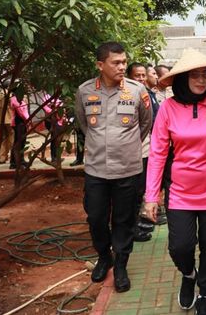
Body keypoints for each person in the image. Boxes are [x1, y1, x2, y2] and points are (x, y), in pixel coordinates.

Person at [144, 48, 206, 315]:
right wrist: (152, 196)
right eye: (196, 75)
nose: (202, 80)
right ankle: (188, 274)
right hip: (180, 193)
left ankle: (205, 294)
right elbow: (157, 154)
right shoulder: (168, 108)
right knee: (180, 246)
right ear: (183, 78)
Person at [74, 42, 152, 293]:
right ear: (100, 65)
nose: (122, 66)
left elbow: (145, 125)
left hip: (128, 169)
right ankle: (104, 256)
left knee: (124, 219)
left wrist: (124, 147)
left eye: (123, 61)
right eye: (115, 62)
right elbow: (84, 125)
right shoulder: (85, 91)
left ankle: (121, 265)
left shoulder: (137, 90)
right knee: (96, 217)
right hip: (96, 170)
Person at [126, 62, 162, 242]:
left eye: (142, 75)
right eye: (136, 76)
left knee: (140, 189)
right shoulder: (127, 95)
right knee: (133, 192)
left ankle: (136, 225)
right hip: (133, 151)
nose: (140, 78)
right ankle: (132, 229)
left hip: (146, 147)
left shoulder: (147, 94)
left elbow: (150, 121)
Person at [9, 89, 31, 169]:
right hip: (19, 122)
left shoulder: (20, 98)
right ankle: (18, 162)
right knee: (19, 142)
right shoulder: (14, 99)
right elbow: (21, 112)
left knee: (20, 142)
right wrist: (27, 120)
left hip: (22, 122)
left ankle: (16, 161)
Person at [0, 85, 14, 164]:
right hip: (10, 119)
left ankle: (2, 158)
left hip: (0, 121)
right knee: (12, 138)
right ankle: (14, 157)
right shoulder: (11, 95)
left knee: (3, 139)